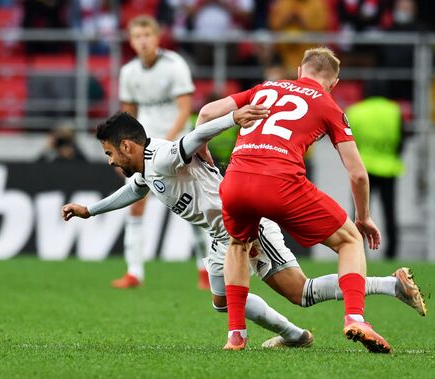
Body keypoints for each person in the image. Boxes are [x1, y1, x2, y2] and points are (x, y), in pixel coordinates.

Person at [61, 110, 426, 349]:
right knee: (277, 295)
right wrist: (90, 210)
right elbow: (135, 188)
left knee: (276, 295)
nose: (110, 160)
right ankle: (311, 326)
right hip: (225, 233)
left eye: (110, 152)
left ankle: (302, 329)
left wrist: (234, 117)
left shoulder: (164, 156)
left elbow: (195, 135)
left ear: (127, 145)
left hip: (245, 225)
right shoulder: (145, 168)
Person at [199, 47, 391, 353]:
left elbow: (207, 113)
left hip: (235, 179)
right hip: (281, 182)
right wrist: (364, 216)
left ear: (300, 70)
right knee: (350, 241)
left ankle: (236, 335)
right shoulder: (328, 104)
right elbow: (357, 174)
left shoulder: (266, 87)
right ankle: (355, 317)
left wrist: (203, 154)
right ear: (333, 83)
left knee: (238, 244)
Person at [115, 15, 209, 289]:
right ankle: (134, 272)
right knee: (135, 204)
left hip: (176, 147)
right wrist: (124, 149)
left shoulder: (174, 65)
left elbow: (184, 110)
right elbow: (129, 114)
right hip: (142, 149)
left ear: (157, 38)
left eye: (147, 35)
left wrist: (167, 144)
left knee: (191, 209)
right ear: (131, 41)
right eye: (137, 36)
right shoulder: (129, 72)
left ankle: (204, 269)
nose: (142, 41)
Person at [345, 81, 405, 259]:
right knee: (390, 212)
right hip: (388, 167)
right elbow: (401, 140)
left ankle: (356, 249)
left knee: (358, 213)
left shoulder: (355, 111)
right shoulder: (394, 110)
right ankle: (391, 252)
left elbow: (348, 141)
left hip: (363, 169)